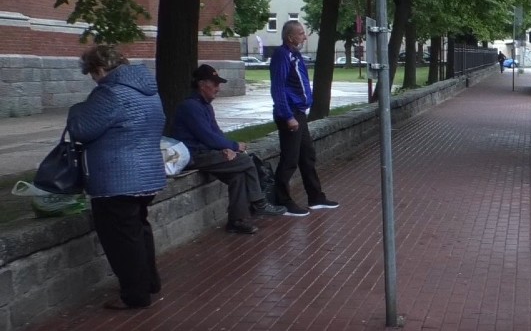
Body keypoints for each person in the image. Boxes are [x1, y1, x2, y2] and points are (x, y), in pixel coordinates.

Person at [66, 45, 165, 310]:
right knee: (139, 228)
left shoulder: (109, 92)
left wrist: (77, 108)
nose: (93, 79)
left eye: (92, 74)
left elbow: (80, 129)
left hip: (116, 178)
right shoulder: (148, 90)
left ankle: (135, 295)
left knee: (121, 240)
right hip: (147, 173)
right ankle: (149, 281)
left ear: (99, 68)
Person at [171, 64, 287, 234]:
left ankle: (237, 221)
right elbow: (207, 137)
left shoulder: (205, 106)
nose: (218, 88)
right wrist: (234, 146)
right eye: (215, 84)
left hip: (207, 153)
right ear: (202, 84)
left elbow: (216, 133)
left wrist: (227, 147)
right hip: (194, 156)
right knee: (246, 160)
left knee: (237, 175)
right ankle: (259, 203)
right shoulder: (190, 107)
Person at [270, 20, 339, 216]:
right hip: (290, 115)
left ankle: (316, 197)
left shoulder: (296, 56)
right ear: (290, 37)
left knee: (307, 156)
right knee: (290, 159)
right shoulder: (282, 56)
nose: (304, 36)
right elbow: (278, 88)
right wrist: (287, 116)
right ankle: (281, 201)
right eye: (300, 33)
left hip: (299, 114)